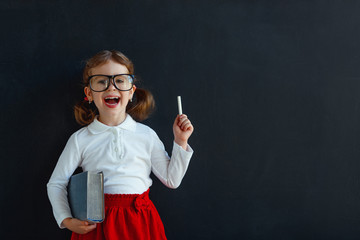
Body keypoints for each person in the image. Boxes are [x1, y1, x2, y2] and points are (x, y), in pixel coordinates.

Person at [47, 50, 194, 240]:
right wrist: (66, 219)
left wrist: (181, 141)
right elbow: (56, 183)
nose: (111, 88)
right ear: (89, 93)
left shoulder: (146, 135)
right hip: (98, 226)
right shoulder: (80, 139)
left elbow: (172, 180)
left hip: (140, 223)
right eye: (101, 81)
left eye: (120, 80)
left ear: (131, 91)